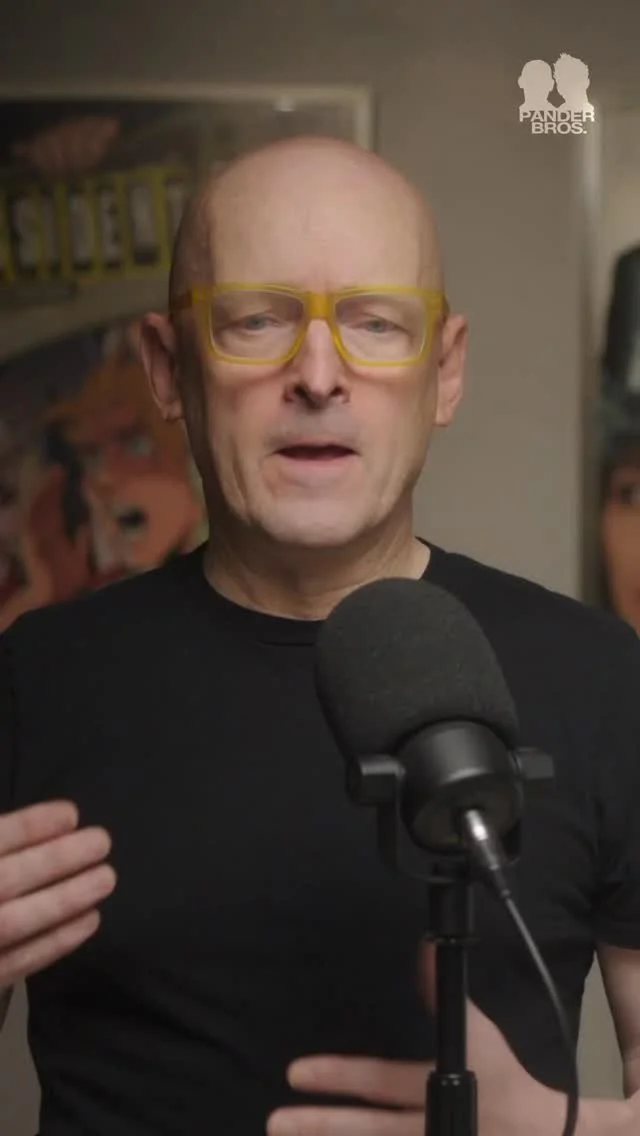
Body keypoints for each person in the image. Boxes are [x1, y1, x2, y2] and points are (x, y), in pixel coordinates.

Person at [0, 135, 639, 1136]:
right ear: (167, 368)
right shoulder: (32, 679)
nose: (317, 374)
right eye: (256, 319)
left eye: (375, 323)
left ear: (445, 370)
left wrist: (560, 1129)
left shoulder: (602, 678)